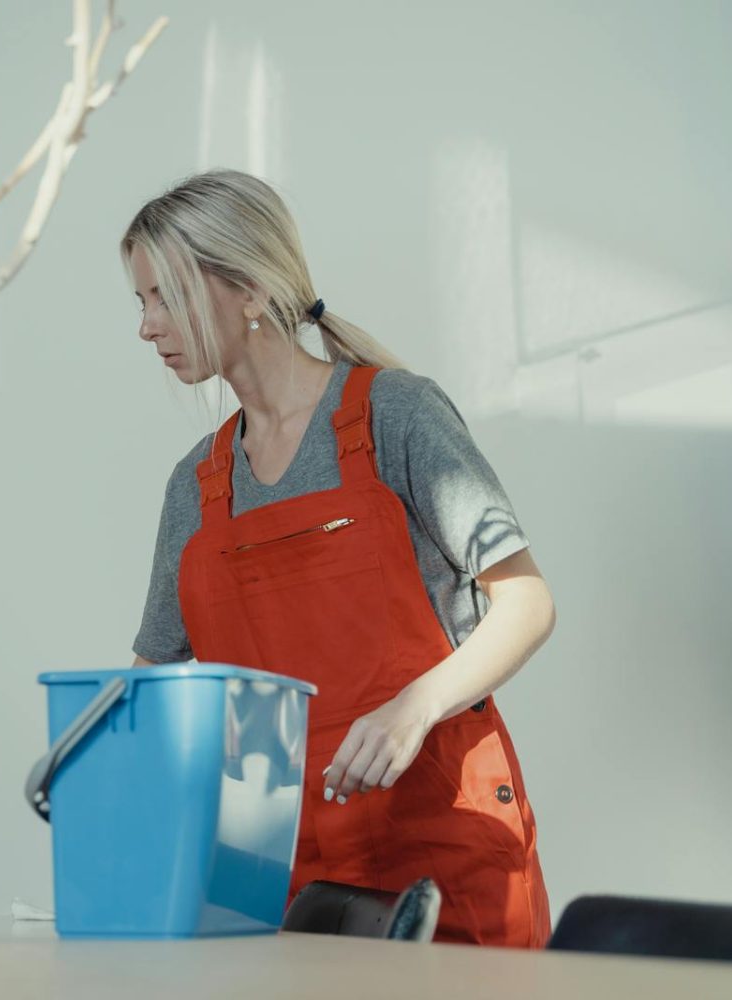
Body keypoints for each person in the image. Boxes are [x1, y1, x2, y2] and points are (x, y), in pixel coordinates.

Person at [122, 169, 554, 948]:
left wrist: (412, 708)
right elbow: (158, 682)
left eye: (164, 296)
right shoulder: (197, 486)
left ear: (249, 291)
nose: (147, 326)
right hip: (279, 872)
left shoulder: (396, 415)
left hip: (439, 844)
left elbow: (526, 604)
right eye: (140, 302)